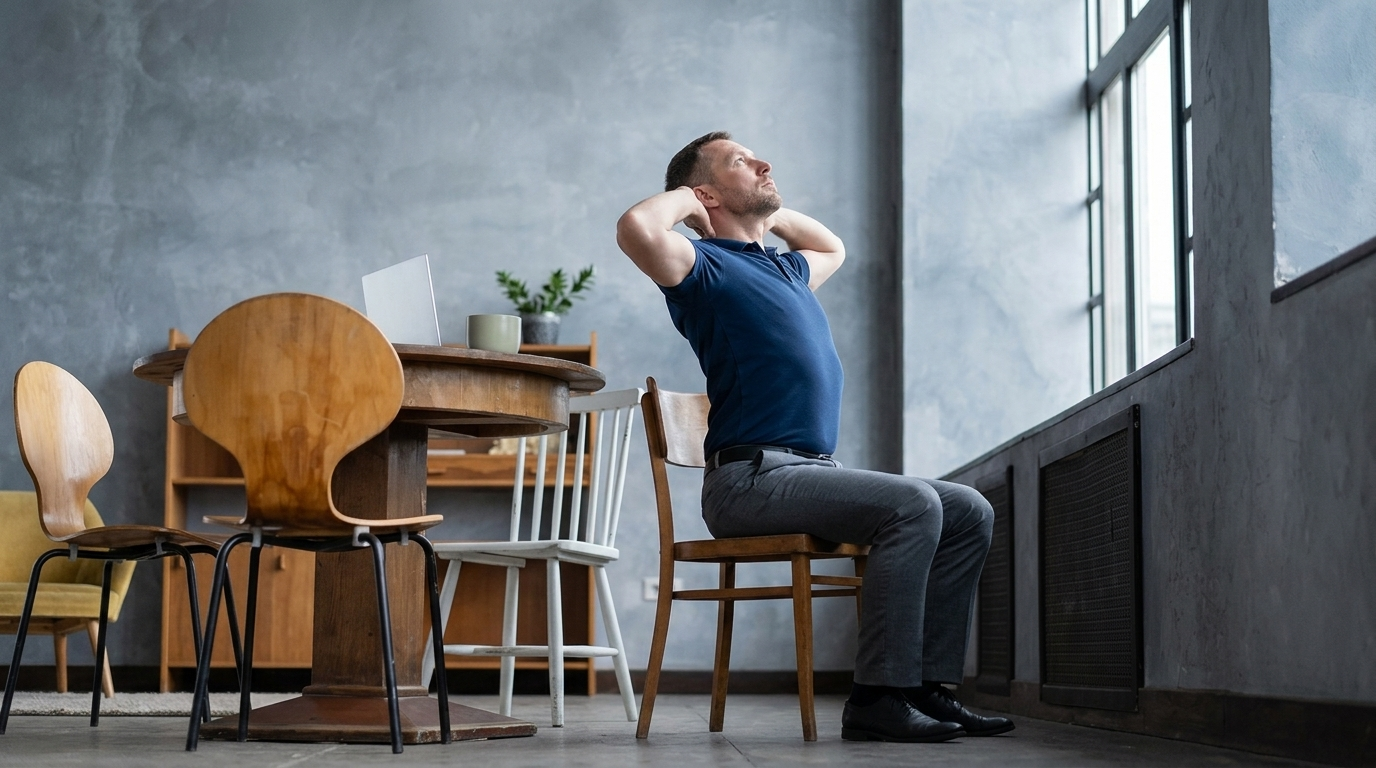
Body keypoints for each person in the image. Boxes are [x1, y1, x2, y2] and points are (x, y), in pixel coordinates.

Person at [616, 131, 1014, 743]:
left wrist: (765, 213)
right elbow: (636, 228)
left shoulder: (787, 270)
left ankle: (925, 688)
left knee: (969, 509)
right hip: (749, 482)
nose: (763, 163)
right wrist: (691, 202)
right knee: (914, 505)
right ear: (704, 193)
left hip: (810, 473)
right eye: (741, 161)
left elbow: (832, 245)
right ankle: (876, 698)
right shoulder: (702, 268)